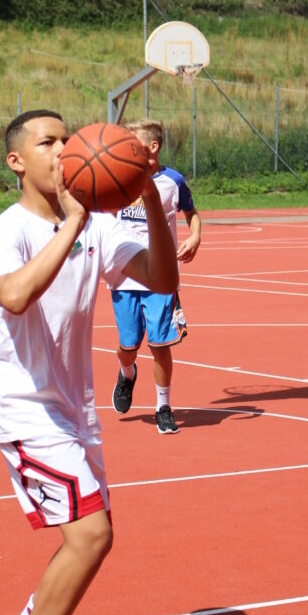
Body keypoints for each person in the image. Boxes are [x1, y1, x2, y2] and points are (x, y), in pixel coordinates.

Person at [0, 109, 178, 615]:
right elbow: (14, 295)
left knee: (88, 535)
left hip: (71, 406)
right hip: (22, 403)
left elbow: (163, 277)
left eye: (67, 139)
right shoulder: (8, 228)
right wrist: (72, 224)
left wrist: (148, 195)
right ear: (17, 161)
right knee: (91, 536)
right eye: (47, 142)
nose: (62, 149)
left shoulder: (99, 225)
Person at [111, 118, 201, 434]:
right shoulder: (119, 177)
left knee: (160, 344)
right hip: (124, 273)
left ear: (153, 146)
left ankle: (163, 407)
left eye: (133, 143)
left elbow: (191, 213)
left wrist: (195, 235)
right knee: (128, 345)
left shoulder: (173, 181)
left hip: (161, 276)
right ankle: (127, 373)